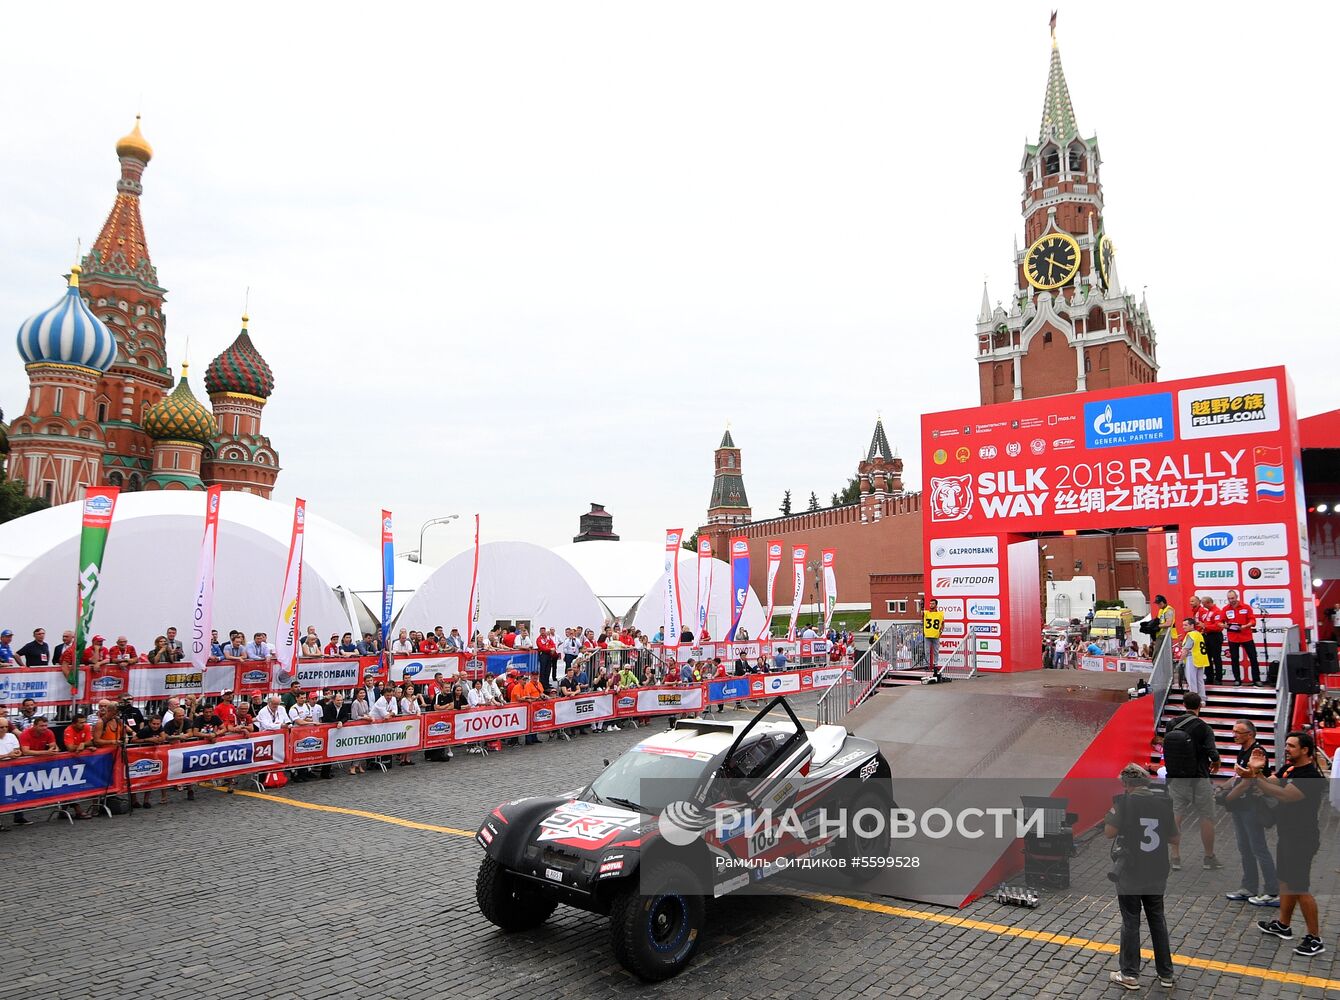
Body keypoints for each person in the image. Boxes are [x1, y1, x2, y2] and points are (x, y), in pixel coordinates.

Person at [1251, 732, 1327, 956]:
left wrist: (1256, 776)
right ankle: (1283, 925)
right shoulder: (1288, 769)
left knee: (1300, 887)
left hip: (1302, 839)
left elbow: (1283, 795)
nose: (1287, 749)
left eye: (1292, 746)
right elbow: (1269, 784)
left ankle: (1315, 938)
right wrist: (1256, 771)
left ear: (1305, 750)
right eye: (1286, 745)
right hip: (1287, 835)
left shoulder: (1311, 777)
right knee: (1285, 880)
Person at [1104, 762, 1178, 990]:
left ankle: (1129, 974)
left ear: (1126, 784)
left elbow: (1109, 833)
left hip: (1132, 871)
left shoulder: (1124, 802)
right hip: (1157, 870)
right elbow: (1174, 838)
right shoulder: (1163, 803)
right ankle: (1166, 973)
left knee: (1131, 921)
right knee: (1157, 919)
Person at [1161, 691, 1222, 871]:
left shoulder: (1171, 724)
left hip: (1176, 779)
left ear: (1184, 704)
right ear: (1200, 706)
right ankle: (1209, 857)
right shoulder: (1203, 727)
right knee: (1207, 817)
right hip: (1199, 778)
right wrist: (1216, 763)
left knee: (1176, 816)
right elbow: (1213, 752)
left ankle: (1175, 856)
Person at [1222, 719, 1279, 907]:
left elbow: (1248, 782)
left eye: (1238, 732)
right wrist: (1223, 789)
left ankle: (1272, 890)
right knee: (1245, 847)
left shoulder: (1257, 752)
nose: (1234, 735)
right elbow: (1238, 777)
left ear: (1250, 734)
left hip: (1252, 806)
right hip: (1241, 806)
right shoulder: (1243, 750)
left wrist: (1227, 798)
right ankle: (1249, 887)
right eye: (1234, 731)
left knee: (1258, 848)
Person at [1222, 590, 1260, 686]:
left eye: (1233, 598)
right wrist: (1224, 625)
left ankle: (1256, 680)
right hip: (1233, 637)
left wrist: (1245, 626)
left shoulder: (1246, 607)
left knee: (1253, 658)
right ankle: (1237, 679)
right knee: (1234, 659)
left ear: (1237, 597)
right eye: (1229, 598)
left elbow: (1253, 620)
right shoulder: (1225, 609)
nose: (1231, 600)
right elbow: (1220, 622)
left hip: (1246, 636)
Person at [1196, 596, 1226, 685]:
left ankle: (1218, 678)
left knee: (1216, 658)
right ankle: (1209, 677)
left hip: (1215, 636)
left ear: (1208, 602)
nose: (1202, 605)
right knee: (1207, 658)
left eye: (1203, 603)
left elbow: (1218, 626)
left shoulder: (1217, 611)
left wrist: (1205, 626)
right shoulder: (1208, 612)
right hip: (1207, 636)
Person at [1179, 617, 1208, 700]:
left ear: (1192, 625)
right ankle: (1202, 699)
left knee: (1191, 681)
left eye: (1186, 625)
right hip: (1200, 659)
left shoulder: (1190, 635)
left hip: (1192, 659)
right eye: (1183, 625)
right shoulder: (1198, 634)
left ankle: (1193, 700)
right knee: (1200, 680)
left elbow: (1185, 650)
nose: (1183, 627)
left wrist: (1180, 661)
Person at [922, 599, 944, 671]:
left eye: (933, 604)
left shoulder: (940, 614)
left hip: (935, 635)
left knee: (936, 651)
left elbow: (942, 624)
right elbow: (921, 614)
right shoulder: (926, 613)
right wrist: (921, 605)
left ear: (936, 605)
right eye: (930, 603)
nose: (931, 605)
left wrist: (940, 632)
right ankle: (927, 665)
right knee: (927, 651)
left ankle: (935, 664)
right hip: (927, 635)